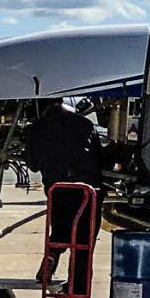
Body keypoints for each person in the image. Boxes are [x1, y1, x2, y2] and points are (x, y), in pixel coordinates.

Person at [24, 102, 104, 286]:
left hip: (57, 189)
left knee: (60, 229)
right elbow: (100, 158)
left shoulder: (37, 128)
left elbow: (33, 165)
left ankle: (52, 254)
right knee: (83, 248)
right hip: (87, 191)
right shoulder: (85, 125)